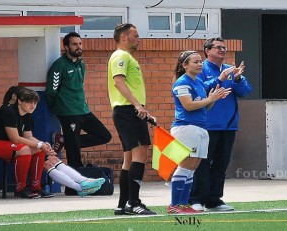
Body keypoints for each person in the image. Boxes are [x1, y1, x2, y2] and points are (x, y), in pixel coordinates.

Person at [1, 86, 106, 198]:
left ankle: (83, 181)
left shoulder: (26, 116)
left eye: (34, 102)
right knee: (43, 159)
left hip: (19, 145)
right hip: (10, 145)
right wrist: (40, 145)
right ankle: (80, 187)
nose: (32, 105)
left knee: (52, 158)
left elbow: (28, 136)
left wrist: (44, 146)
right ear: (18, 100)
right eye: (28, 101)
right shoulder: (8, 112)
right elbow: (15, 138)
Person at [189, 37, 252, 212]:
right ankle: (196, 199)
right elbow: (198, 90)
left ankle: (214, 200)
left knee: (221, 165)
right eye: (218, 47)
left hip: (228, 125)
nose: (222, 50)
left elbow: (246, 92)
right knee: (202, 164)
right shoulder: (200, 69)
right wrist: (219, 79)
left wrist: (238, 79)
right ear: (207, 51)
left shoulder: (230, 69)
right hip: (207, 125)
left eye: (224, 47)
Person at [167, 51, 230, 214]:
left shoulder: (198, 83)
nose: (200, 64)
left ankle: (182, 204)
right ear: (185, 65)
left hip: (200, 128)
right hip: (186, 127)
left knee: (192, 168)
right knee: (185, 166)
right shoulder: (182, 82)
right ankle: (175, 204)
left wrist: (213, 99)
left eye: (200, 61)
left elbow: (204, 106)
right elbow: (188, 106)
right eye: (195, 62)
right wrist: (209, 99)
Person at [108, 23, 156, 215]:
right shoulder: (121, 56)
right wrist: (137, 106)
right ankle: (134, 203)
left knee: (128, 158)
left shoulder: (127, 57)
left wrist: (142, 109)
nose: (139, 38)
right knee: (140, 155)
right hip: (128, 111)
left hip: (129, 111)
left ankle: (122, 205)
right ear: (123, 37)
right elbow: (118, 82)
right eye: (135, 35)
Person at [45, 32, 112, 169]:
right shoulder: (59, 65)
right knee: (74, 153)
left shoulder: (81, 65)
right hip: (68, 112)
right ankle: (76, 184)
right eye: (74, 44)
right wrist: (58, 109)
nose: (78, 47)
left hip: (83, 110)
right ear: (66, 47)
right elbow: (51, 91)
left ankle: (65, 140)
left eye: (80, 43)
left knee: (104, 136)